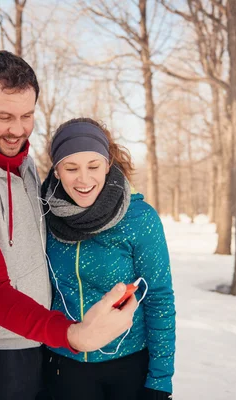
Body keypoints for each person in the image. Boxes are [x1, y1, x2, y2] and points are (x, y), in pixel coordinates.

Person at [0, 50, 137, 400]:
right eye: (4, 116)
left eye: (27, 115)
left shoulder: (26, 165)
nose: (17, 129)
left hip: (36, 341)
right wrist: (73, 334)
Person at [40, 118, 176, 400]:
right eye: (71, 167)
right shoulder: (44, 215)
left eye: (93, 166)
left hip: (128, 367)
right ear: (56, 170)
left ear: (107, 164)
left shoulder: (139, 218)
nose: (84, 179)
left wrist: (160, 381)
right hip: (63, 366)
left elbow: (159, 298)